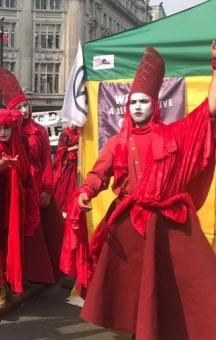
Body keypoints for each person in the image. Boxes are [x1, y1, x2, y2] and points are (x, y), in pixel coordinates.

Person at [63, 45, 216, 340]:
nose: (137, 107)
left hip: (165, 225)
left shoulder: (171, 135)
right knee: (131, 288)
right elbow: (98, 173)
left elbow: (210, 111)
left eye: (143, 101)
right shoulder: (117, 142)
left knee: (180, 286)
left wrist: (215, 66)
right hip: (128, 224)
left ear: (154, 104)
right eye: (132, 101)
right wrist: (86, 191)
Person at [0, 68, 64, 283]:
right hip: (14, 185)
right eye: (17, 107)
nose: (23, 110)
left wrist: (47, 188)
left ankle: (41, 272)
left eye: (24, 105)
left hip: (36, 184)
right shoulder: (7, 131)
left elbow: (46, 159)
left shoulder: (40, 131)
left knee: (42, 230)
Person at [0, 108, 41, 309]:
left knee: (12, 242)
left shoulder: (19, 145)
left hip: (16, 201)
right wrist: (4, 162)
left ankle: (11, 280)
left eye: (6, 128)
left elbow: (26, 172)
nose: (2, 132)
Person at [53, 124, 80, 215]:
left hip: (79, 163)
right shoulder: (65, 133)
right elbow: (60, 149)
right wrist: (73, 148)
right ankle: (63, 209)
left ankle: (74, 207)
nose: (72, 125)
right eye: (70, 122)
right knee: (66, 186)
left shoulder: (81, 132)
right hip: (68, 164)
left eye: (74, 122)